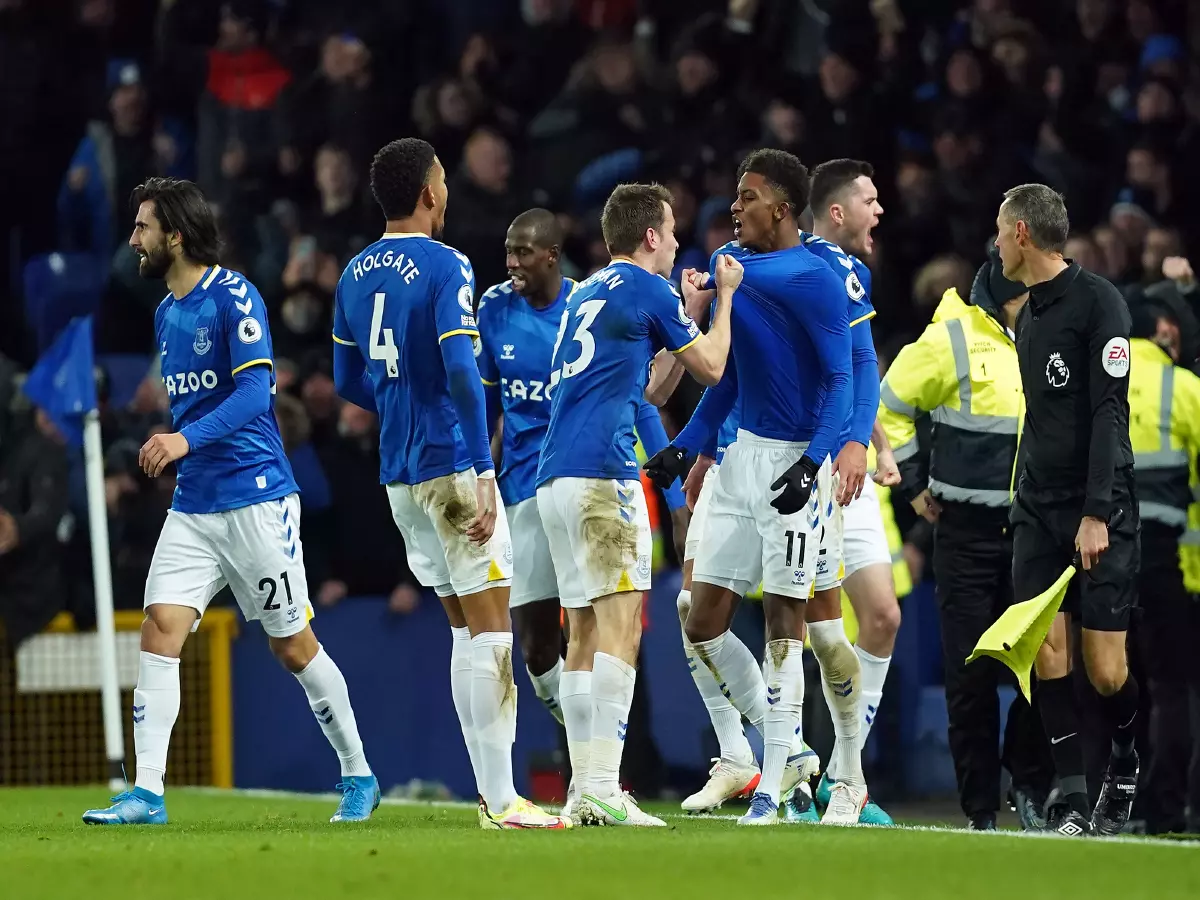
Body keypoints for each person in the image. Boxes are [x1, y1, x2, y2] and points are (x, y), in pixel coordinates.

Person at [84, 177, 379, 826]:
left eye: (142, 227)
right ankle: (147, 793)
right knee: (160, 628)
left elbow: (254, 395)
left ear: (175, 236)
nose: (133, 239)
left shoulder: (233, 296)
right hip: (194, 505)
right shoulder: (166, 312)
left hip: (255, 499)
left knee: (292, 646)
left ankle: (359, 773)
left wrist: (182, 439)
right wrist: (177, 446)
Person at [331, 139, 567, 831]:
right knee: (493, 632)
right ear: (430, 193)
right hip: (452, 465)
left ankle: (492, 795)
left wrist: (398, 399)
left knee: (466, 630)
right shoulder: (445, 263)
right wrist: (483, 470)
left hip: (398, 476)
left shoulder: (352, 274)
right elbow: (463, 371)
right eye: (442, 180)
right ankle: (502, 800)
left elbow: (347, 381)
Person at [646, 149, 861, 825]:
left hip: (796, 462)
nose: (734, 208)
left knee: (787, 627)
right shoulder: (732, 269)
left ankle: (774, 786)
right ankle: (790, 754)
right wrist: (686, 447)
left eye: (748, 197)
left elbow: (841, 378)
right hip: (740, 459)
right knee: (701, 620)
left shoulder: (815, 278)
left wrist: (815, 461)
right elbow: (731, 377)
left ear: (783, 208)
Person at [536, 181, 738, 827]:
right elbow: (713, 367)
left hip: (554, 480)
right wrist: (724, 299)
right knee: (622, 627)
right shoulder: (648, 287)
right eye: (671, 231)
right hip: (602, 474)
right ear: (651, 236)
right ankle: (602, 785)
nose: (677, 242)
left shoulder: (586, 292)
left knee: (583, 632)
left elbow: (649, 390)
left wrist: (688, 313)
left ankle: (582, 788)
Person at [879, 246, 1056, 831]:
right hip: (966, 534)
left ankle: (1028, 784)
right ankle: (980, 808)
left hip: (1034, 532)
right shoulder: (951, 335)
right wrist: (911, 487)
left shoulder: (1053, 333)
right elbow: (889, 406)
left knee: (1043, 669)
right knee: (970, 676)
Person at [999, 183, 1142, 837]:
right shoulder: (1027, 317)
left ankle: (1126, 757)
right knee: (1044, 649)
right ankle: (1073, 800)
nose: (996, 245)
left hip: (1097, 507)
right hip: (1038, 508)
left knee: (1106, 672)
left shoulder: (1099, 303)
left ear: (1022, 233)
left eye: (1001, 231)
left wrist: (1096, 512)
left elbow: (1110, 412)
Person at [792, 158, 901, 826]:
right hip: (797, 470)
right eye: (869, 199)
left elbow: (858, 367)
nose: (879, 210)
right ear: (837, 212)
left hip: (848, 468)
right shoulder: (795, 266)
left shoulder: (852, 272)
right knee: (806, 630)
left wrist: (876, 441)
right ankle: (795, 774)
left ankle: (843, 773)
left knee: (881, 617)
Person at [1125, 303, 1200, 835]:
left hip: (1103, 553)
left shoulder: (1098, 383)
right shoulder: (1185, 389)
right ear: (1164, 331)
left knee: (1110, 683)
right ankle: (1167, 809)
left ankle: (1109, 805)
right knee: (1171, 686)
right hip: (1166, 560)